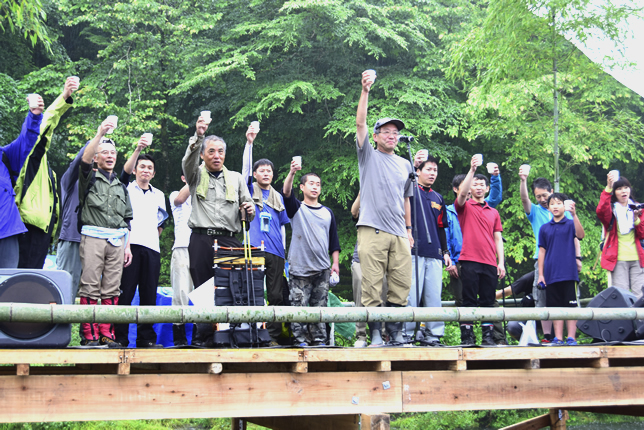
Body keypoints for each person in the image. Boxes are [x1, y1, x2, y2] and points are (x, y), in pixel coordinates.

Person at [182, 115, 254, 346]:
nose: (217, 156)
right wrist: (199, 135)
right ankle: (203, 337)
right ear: (203, 154)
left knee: (232, 287)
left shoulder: (236, 178)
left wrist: (249, 209)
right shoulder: (196, 175)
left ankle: (230, 336)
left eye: (220, 151)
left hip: (230, 240)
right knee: (203, 288)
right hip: (201, 239)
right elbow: (188, 162)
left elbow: (248, 210)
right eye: (211, 151)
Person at [355, 70, 414, 346]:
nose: (393, 136)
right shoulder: (368, 155)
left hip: (399, 232)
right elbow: (360, 124)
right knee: (372, 285)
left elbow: (406, 198)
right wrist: (365, 91)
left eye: (396, 133)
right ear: (376, 136)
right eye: (387, 132)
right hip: (372, 229)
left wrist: (409, 229)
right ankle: (375, 333)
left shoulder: (405, 164)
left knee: (401, 285)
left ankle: (396, 332)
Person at [77, 118, 133, 348]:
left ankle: (106, 333)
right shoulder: (88, 177)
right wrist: (100, 133)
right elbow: (84, 160)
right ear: (97, 158)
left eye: (113, 153)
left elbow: (127, 220)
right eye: (105, 153)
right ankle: (88, 334)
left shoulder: (120, 186)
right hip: (93, 237)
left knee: (112, 288)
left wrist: (127, 245)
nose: (110, 156)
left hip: (117, 240)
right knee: (90, 285)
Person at [15, 77, 78, 269]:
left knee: (32, 284)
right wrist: (64, 97)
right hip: (28, 226)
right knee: (20, 283)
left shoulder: (47, 169)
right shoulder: (30, 156)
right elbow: (42, 127)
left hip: (42, 231)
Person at [241, 123, 290, 346]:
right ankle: (253, 336)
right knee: (254, 294)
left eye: (269, 170)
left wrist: (285, 253)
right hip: (254, 248)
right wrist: (249, 143)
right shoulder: (250, 189)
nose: (266, 173)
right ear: (255, 174)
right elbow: (243, 171)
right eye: (262, 170)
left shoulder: (278, 197)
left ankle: (272, 336)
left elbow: (282, 227)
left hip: (277, 252)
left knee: (276, 295)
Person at [282, 163, 340, 347]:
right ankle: (299, 341)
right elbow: (286, 193)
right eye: (311, 183)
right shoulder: (297, 208)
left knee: (319, 309)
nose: (315, 187)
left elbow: (334, 242)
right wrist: (292, 172)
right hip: (299, 268)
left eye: (318, 184)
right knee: (299, 307)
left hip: (322, 269)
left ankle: (319, 341)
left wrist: (335, 263)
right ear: (302, 187)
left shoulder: (327, 212)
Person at [115, 146, 167, 349]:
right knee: (125, 293)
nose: (145, 170)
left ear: (153, 173)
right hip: (129, 248)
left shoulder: (159, 194)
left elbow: (161, 223)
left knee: (149, 295)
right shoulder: (125, 188)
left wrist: (152, 237)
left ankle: (146, 338)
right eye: (142, 166)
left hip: (152, 249)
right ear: (135, 170)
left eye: (149, 168)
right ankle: (120, 338)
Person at [445, 168, 505, 344]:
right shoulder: (463, 206)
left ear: (487, 188)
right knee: (468, 300)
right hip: (469, 259)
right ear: (469, 188)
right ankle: (467, 336)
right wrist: (472, 170)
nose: (478, 187)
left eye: (481, 185)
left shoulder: (493, 212)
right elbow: (462, 195)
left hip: (489, 262)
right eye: (474, 184)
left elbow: (498, 238)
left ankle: (488, 336)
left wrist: (500, 262)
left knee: (488, 300)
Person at [520, 173, 581, 341]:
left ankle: (570, 337)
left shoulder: (566, 213)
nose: (542, 199)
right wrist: (523, 180)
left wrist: (578, 258)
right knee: (542, 298)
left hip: (566, 262)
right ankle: (548, 336)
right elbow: (524, 200)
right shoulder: (535, 212)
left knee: (569, 299)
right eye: (538, 196)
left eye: (545, 195)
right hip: (543, 262)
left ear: (552, 192)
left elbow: (577, 236)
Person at [405, 155, 451, 346]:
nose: (432, 173)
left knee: (434, 297)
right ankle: (406, 334)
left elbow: (441, 227)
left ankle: (434, 335)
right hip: (413, 251)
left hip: (434, 254)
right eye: (429, 169)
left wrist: (446, 252)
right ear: (418, 171)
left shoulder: (438, 197)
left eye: (435, 170)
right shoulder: (409, 191)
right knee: (411, 297)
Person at [0, 94, 44, 268]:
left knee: (7, 288)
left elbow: (27, 140)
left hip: (7, 231)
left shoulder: (5, 155)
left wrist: (34, 115)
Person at [537, 193, 585, 345]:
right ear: (549, 207)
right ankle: (558, 338)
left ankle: (571, 337)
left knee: (571, 305)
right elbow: (542, 251)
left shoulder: (571, 224)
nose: (555, 206)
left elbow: (581, 235)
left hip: (569, 273)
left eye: (559, 203)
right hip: (551, 273)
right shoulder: (544, 228)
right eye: (552, 204)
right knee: (555, 307)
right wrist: (540, 275)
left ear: (565, 206)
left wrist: (574, 215)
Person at [597, 173, 644, 298]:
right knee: (621, 297)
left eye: (626, 187)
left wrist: (636, 219)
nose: (623, 191)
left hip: (638, 259)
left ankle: (639, 319)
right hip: (617, 259)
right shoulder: (611, 210)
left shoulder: (639, 208)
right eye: (619, 188)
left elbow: (642, 233)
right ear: (614, 192)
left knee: (640, 297)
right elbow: (601, 211)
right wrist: (608, 187)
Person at [350, 193, 388, 348]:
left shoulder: (388, 206)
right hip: (360, 258)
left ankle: (383, 335)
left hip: (382, 260)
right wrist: (363, 191)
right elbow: (354, 212)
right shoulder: (365, 201)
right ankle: (361, 336)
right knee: (361, 296)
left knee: (382, 296)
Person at [56, 142, 90, 298]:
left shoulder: (101, 182)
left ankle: (88, 324)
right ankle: (62, 323)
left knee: (91, 292)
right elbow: (78, 161)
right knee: (66, 288)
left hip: (95, 242)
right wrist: (98, 137)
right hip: (72, 238)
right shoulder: (71, 180)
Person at [169, 175, 193, 347]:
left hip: (203, 249)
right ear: (184, 177)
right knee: (180, 293)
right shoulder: (175, 194)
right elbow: (179, 199)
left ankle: (202, 335)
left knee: (203, 294)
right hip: (182, 247)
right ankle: (179, 338)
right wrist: (196, 174)